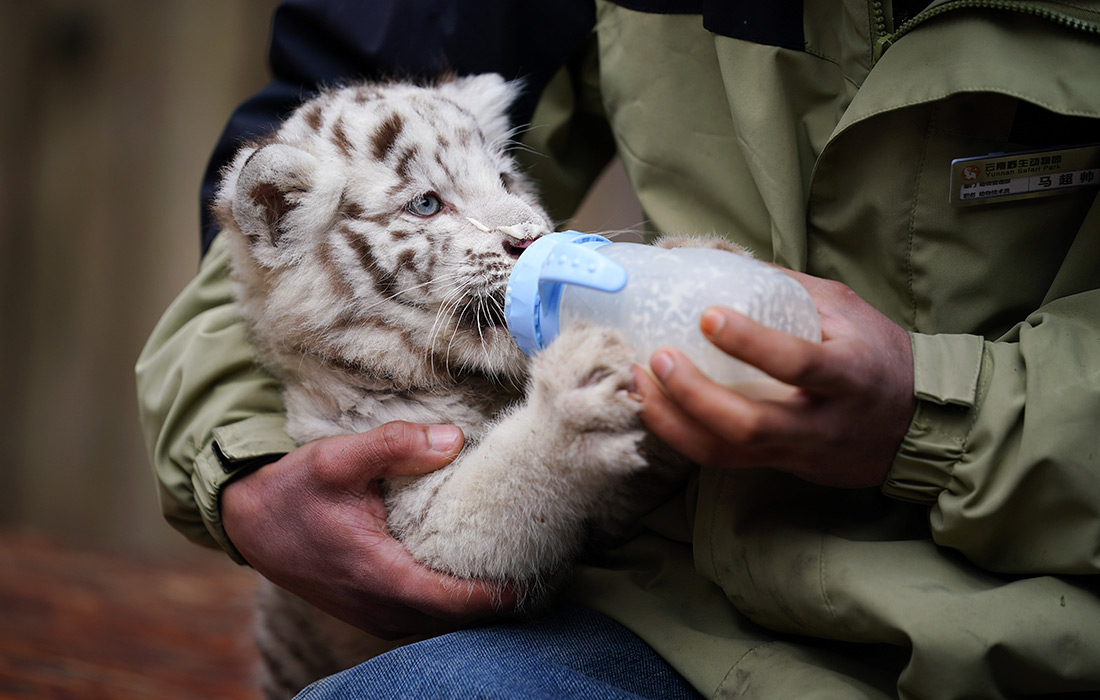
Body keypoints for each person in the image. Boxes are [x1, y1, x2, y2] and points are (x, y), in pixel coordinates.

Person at [136, 0, 1100, 697]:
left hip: (1030, 612)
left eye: (502, 178)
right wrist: (237, 460)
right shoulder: (350, 290)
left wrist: (933, 409)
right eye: (430, 204)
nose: (517, 225)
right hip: (676, 613)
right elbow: (310, 175)